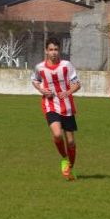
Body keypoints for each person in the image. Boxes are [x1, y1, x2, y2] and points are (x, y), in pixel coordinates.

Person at [31, 37, 81, 180]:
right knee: (57, 134)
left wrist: (68, 92)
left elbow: (77, 84)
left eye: (56, 50)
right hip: (50, 105)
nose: (53, 52)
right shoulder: (40, 67)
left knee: (71, 142)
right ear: (46, 51)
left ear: (59, 51)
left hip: (67, 106)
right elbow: (35, 80)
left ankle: (70, 167)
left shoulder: (67, 65)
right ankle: (64, 158)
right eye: (51, 49)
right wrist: (42, 90)